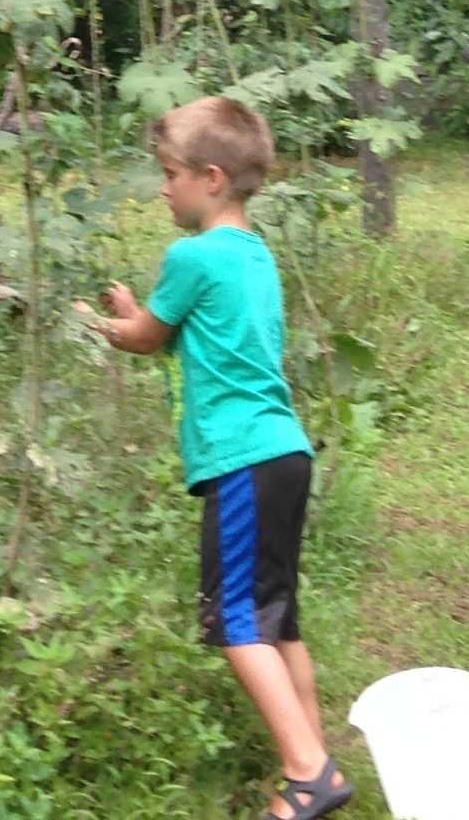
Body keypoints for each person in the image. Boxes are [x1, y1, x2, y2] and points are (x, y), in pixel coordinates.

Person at [78, 95, 353, 820]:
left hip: (241, 462)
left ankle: (308, 773)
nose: (161, 188)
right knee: (277, 618)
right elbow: (180, 331)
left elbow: (146, 338)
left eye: (168, 174)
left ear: (210, 177)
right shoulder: (253, 255)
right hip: (285, 455)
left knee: (235, 621)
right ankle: (313, 757)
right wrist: (139, 308)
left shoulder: (191, 255)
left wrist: (103, 323)